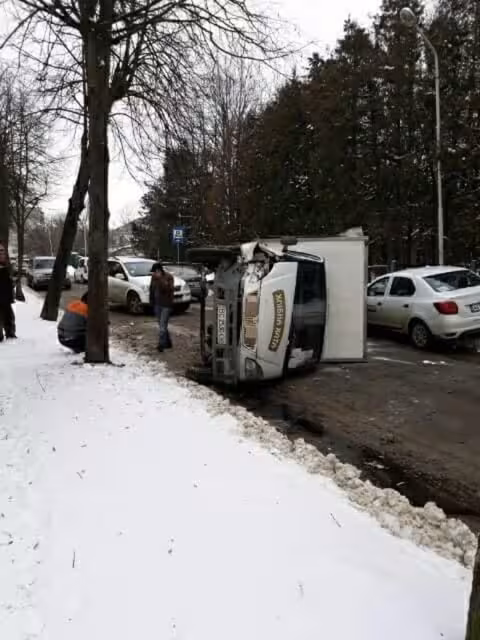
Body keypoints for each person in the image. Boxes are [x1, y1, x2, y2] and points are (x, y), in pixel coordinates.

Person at [149, 262, 174, 352]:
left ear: (159, 270)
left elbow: (168, 289)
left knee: (162, 326)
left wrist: (160, 279)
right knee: (161, 325)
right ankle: (168, 342)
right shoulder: (153, 277)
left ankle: (161, 345)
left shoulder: (169, 277)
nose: (154, 274)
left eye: (155, 272)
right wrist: (151, 301)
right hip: (157, 304)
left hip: (166, 305)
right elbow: (151, 289)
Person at [0, 243, 16, 342]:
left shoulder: (6, 267)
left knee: (9, 318)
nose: (2, 253)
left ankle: (10, 335)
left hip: (6, 300)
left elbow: (8, 283)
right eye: (0, 251)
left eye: (3, 251)